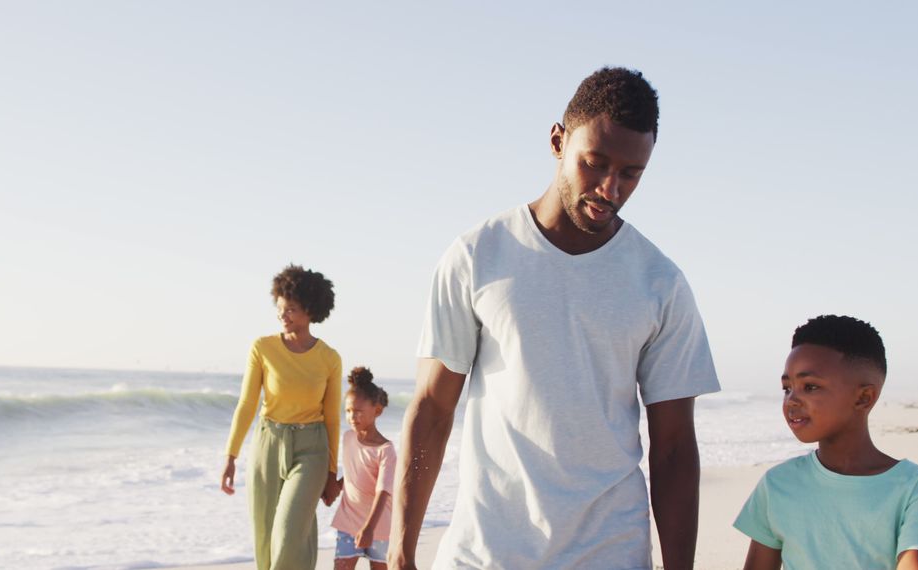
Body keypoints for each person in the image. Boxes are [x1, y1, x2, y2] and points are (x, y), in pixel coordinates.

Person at [390, 67, 721, 570]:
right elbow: (433, 409)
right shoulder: (478, 255)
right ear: (557, 141)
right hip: (485, 554)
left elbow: (673, 448)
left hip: (609, 553)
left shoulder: (660, 283)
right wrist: (400, 550)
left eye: (630, 174)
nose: (610, 188)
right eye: (595, 163)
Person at [734, 315, 918, 570]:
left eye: (810, 387)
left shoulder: (912, 486)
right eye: (787, 387)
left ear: (864, 398)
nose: (791, 399)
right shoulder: (777, 484)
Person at [220, 264, 342, 570]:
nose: (282, 315)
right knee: (265, 535)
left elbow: (332, 418)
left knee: (289, 532)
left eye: (291, 309)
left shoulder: (329, 358)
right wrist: (231, 455)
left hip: (311, 448)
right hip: (268, 443)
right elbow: (247, 403)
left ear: (310, 311)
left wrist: (330, 471)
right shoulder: (263, 348)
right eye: (280, 308)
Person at [329, 366, 397, 570]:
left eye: (358, 411)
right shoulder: (348, 437)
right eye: (348, 411)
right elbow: (352, 472)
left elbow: (383, 492)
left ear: (377, 410)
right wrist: (336, 487)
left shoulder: (386, 450)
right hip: (348, 521)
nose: (352, 417)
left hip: (379, 526)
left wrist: (369, 528)